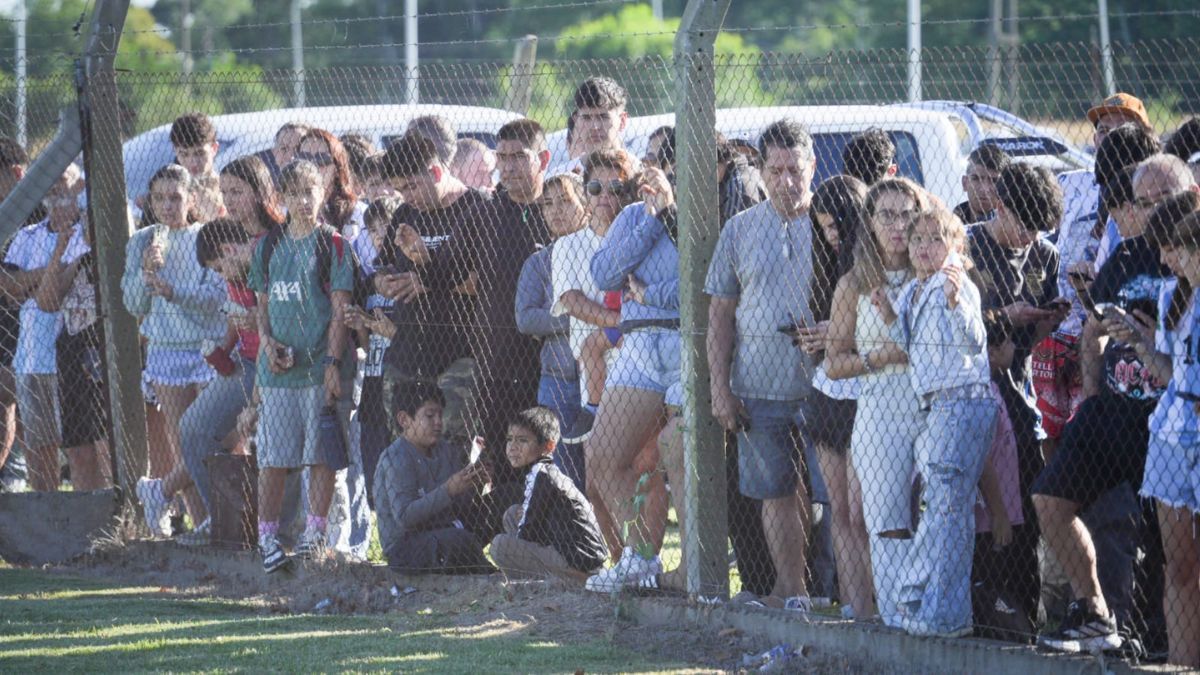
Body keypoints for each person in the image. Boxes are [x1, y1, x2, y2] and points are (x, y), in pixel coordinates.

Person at [1034, 154, 1198, 652]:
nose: (1151, 213)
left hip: (1169, 422)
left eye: (1163, 201)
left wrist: (1151, 342)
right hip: (1113, 411)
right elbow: (1092, 329)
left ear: (1192, 198)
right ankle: (1094, 613)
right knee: (1049, 500)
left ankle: (1162, 640)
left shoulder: (1186, 261)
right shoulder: (1126, 254)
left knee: (1173, 554)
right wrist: (1092, 396)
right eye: (1141, 203)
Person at [705, 119, 836, 611]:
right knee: (775, 493)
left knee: (836, 497)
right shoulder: (740, 228)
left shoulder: (833, 222)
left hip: (829, 384)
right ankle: (791, 590)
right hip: (758, 386)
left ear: (813, 166)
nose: (786, 181)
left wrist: (834, 330)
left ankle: (846, 596)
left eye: (795, 170)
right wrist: (720, 387)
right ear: (760, 170)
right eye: (776, 170)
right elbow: (719, 313)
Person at [390, 119, 552, 488]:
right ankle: (504, 520)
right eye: (502, 157)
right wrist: (421, 257)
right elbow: (446, 272)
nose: (508, 167)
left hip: (551, 356)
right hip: (497, 358)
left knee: (548, 456)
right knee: (502, 458)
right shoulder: (486, 212)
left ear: (542, 159)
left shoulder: (557, 204)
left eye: (518, 157)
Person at [877, 207, 998, 638]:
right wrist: (889, 317)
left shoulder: (958, 285)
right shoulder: (915, 289)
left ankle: (934, 607)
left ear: (957, 246)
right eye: (917, 240)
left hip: (962, 401)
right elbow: (913, 345)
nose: (924, 247)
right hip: (937, 408)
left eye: (935, 239)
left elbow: (975, 339)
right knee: (946, 509)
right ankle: (935, 604)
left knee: (946, 511)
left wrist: (954, 302)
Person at [825, 177, 928, 625]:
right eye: (887, 215)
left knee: (936, 515)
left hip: (930, 404)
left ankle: (933, 612)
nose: (898, 225)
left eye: (907, 214)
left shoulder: (933, 275)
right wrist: (877, 358)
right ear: (870, 221)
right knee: (883, 518)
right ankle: (893, 615)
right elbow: (833, 363)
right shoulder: (853, 283)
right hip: (879, 409)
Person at [967, 162, 1066, 623]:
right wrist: (1005, 317)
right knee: (984, 521)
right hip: (972, 398)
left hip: (1021, 405)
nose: (1031, 239)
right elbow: (956, 329)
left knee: (1024, 517)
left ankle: (1024, 617)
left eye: (1039, 231)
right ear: (1000, 206)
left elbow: (1025, 347)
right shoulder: (966, 246)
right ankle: (982, 610)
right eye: (1026, 227)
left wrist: (1046, 321)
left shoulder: (1046, 256)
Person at [248, 160, 355, 572]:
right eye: (293, 193)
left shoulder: (333, 245)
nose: (302, 201)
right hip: (277, 372)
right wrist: (267, 342)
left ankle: (314, 534)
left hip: (316, 366)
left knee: (319, 455)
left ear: (322, 192)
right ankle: (267, 537)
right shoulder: (268, 246)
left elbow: (340, 310)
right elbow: (261, 305)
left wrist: (332, 363)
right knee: (273, 459)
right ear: (281, 198)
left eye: (309, 191)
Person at [1106, 204, 1200, 668]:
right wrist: (1140, 344)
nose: (1167, 261)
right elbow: (1171, 375)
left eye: (1177, 250)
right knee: (1179, 565)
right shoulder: (1172, 298)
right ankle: (1182, 664)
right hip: (1170, 439)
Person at [583, 163, 679, 593]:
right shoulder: (633, 216)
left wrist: (648, 293)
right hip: (637, 343)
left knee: (678, 458)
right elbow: (605, 274)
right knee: (602, 456)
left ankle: (698, 573)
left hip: (684, 343)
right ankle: (641, 561)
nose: (656, 178)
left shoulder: (702, 214)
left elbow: (696, 285)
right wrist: (652, 221)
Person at [124, 164, 225, 532]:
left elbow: (214, 300)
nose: (167, 206)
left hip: (207, 350)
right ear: (151, 202)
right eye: (159, 198)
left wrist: (174, 292)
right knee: (184, 444)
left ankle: (167, 494)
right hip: (165, 352)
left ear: (191, 199)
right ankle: (203, 526)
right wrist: (145, 273)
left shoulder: (206, 237)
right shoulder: (142, 242)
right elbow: (133, 304)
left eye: (175, 198)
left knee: (220, 437)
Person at [798, 175, 870, 618]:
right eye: (823, 227)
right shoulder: (826, 268)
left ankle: (880, 603)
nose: (831, 235)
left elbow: (886, 338)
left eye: (837, 224)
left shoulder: (877, 266)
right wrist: (819, 337)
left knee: (864, 514)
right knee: (838, 509)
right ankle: (856, 604)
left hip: (868, 398)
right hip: (828, 392)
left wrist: (839, 334)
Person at [373, 382, 513, 573]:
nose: (438, 422)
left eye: (440, 415)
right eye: (430, 416)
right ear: (404, 419)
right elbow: (405, 517)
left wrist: (474, 483)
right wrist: (448, 489)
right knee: (456, 539)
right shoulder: (396, 457)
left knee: (507, 495)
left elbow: (460, 508)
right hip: (408, 546)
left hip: (447, 529)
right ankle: (489, 575)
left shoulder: (444, 449)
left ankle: (522, 559)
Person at [6, 170, 88, 491]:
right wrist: (48, 271)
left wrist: (30, 281)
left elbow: (47, 298)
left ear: (78, 183)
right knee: (37, 448)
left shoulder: (85, 234)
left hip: (68, 359)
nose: (53, 184)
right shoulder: (27, 235)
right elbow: (9, 289)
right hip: (29, 358)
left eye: (61, 175)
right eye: (48, 177)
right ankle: (46, 509)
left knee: (76, 449)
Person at [34, 193, 111, 493]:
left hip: (105, 353)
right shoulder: (77, 255)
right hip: (72, 354)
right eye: (86, 217)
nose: (91, 224)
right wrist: (60, 251)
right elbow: (46, 302)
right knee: (78, 450)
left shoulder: (123, 253)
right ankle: (87, 512)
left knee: (108, 446)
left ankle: (121, 508)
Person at [517, 174, 584, 488]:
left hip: (603, 378)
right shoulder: (538, 263)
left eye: (565, 201)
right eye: (547, 204)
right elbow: (526, 318)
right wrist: (577, 319)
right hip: (557, 380)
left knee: (599, 468)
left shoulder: (602, 253)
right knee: (562, 472)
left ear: (585, 204)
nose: (555, 210)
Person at [489, 407, 608, 583]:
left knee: (499, 546)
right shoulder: (545, 471)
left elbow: (528, 532)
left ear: (548, 446)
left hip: (578, 561)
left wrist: (524, 522)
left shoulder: (541, 473)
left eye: (522, 440)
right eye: (510, 439)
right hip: (573, 552)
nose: (513, 446)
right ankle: (542, 575)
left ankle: (580, 579)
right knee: (512, 514)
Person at [972, 309, 1029, 639]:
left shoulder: (993, 387)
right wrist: (999, 515)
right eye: (1008, 342)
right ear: (992, 352)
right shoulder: (984, 396)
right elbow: (984, 460)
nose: (1014, 347)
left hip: (1000, 512)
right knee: (988, 585)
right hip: (989, 519)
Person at [0, 137, 49, 492]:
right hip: (6, 319)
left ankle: (29, 485)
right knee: (4, 401)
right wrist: (42, 276)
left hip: (37, 325)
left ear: (17, 173)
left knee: (27, 405)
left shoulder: (42, 213)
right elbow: (8, 284)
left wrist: (33, 279)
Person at [344, 198, 400, 497]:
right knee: (373, 465)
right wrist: (361, 325)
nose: (379, 235)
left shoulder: (408, 277)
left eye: (385, 227)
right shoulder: (369, 282)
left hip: (401, 381)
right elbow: (367, 344)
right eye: (373, 230)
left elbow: (405, 335)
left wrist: (374, 323)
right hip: (374, 379)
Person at [295, 128, 364, 242]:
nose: (312, 166)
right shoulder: (291, 211)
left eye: (321, 160)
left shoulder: (358, 213)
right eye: (304, 158)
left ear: (336, 169)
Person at [170, 113, 224, 222]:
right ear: (175, 151)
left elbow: (217, 216)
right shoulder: (166, 190)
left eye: (200, 153)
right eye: (184, 154)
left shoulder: (228, 187)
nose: (193, 162)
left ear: (214, 148)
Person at [954, 145, 1012, 226]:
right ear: (965, 183)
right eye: (976, 178)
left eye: (994, 181)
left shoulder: (1018, 229)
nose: (984, 189)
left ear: (1006, 187)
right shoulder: (948, 224)